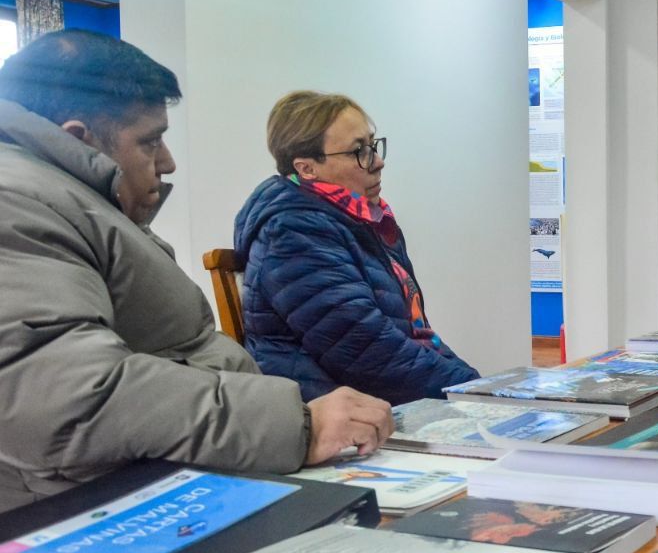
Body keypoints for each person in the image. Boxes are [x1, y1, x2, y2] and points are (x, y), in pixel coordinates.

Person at [0, 30, 393, 512]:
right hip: (95, 510)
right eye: (151, 141)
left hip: (182, 473)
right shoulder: (17, 203)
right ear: (78, 138)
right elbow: (64, 400)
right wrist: (297, 426)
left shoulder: (67, 199)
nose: (167, 162)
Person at [234, 91, 479, 405]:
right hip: (336, 413)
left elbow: (416, 336)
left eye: (373, 146)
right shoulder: (292, 230)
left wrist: (475, 385)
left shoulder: (359, 220)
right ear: (307, 169)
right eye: (358, 152)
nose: (377, 162)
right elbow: (367, 351)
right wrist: (470, 389)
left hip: (373, 402)